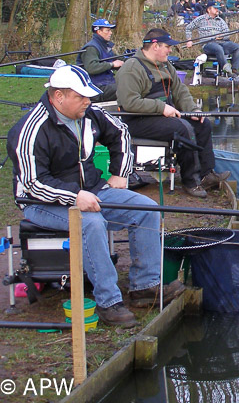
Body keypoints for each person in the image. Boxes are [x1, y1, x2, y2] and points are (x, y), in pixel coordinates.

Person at [6, 65, 186, 327]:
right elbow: (33, 183)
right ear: (59, 97)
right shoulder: (29, 130)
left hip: (92, 189)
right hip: (40, 202)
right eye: (81, 97)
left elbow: (121, 133)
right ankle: (108, 302)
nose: (88, 102)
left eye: (88, 96)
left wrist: (120, 173)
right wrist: (74, 197)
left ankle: (145, 287)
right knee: (90, 222)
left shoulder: (90, 113)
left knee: (147, 209)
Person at [116, 29, 230, 198]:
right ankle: (190, 181)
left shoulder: (165, 65)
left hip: (162, 116)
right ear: (155, 46)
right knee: (182, 129)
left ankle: (206, 174)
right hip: (137, 120)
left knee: (202, 123)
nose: (170, 51)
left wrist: (193, 110)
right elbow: (129, 102)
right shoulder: (131, 68)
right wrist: (160, 108)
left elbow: (180, 91)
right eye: (167, 47)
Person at [184, 1, 239, 76]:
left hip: (222, 43)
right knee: (218, 48)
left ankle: (234, 69)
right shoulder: (200, 19)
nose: (217, 10)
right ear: (209, 10)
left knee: (238, 47)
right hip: (207, 44)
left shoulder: (221, 20)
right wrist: (189, 41)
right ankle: (226, 70)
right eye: (215, 8)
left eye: (218, 8)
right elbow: (188, 28)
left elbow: (227, 33)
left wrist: (222, 36)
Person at [77, 19, 124, 102]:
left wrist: (132, 61)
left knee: (132, 84)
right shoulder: (91, 48)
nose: (111, 33)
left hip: (106, 83)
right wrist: (112, 65)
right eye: (107, 30)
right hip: (96, 88)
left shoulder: (104, 46)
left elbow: (117, 59)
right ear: (99, 31)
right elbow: (91, 67)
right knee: (128, 88)